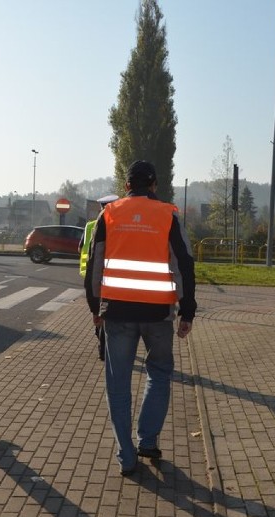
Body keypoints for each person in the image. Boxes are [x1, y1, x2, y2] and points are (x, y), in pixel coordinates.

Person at [84, 160, 197, 476]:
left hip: (118, 313)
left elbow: (95, 265)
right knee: (159, 372)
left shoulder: (109, 215)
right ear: (154, 186)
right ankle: (148, 439)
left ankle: (126, 455)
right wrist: (187, 310)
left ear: (126, 186)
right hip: (158, 314)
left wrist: (96, 308)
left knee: (117, 384)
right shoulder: (167, 215)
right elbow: (184, 264)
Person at [79, 194, 119, 360]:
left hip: (90, 274)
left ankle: (100, 339)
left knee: (98, 313)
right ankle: (104, 346)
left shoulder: (90, 225)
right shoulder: (114, 224)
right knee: (106, 315)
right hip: (107, 276)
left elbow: (81, 246)